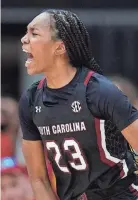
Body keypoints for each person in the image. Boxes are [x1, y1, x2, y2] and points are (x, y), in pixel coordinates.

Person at [19, 10, 138, 200]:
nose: (24, 39)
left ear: (59, 47)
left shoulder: (99, 91)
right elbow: (39, 180)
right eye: (26, 33)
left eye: (34, 33)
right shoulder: (31, 100)